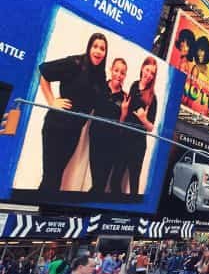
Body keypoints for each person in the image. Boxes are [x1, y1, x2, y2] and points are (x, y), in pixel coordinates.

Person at [37, 33, 107, 192]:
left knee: (56, 176)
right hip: (56, 126)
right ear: (89, 48)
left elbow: (102, 103)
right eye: (95, 47)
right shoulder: (74, 63)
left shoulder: (100, 76)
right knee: (50, 177)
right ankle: (38, 206)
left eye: (102, 49)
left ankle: (42, 206)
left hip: (74, 132)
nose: (98, 51)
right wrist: (52, 101)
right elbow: (44, 71)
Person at [112, 57, 158, 196]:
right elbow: (127, 109)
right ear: (142, 68)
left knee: (133, 182)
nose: (149, 75)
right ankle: (118, 206)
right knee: (115, 179)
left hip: (138, 144)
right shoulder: (134, 85)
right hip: (124, 138)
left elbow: (151, 128)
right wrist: (124, 109)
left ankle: (131, 208)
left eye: (152, 73)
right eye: (147, 70)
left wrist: (143, 119)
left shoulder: (152, 97)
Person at [88, 57, 128, 194]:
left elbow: (121, 125)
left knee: (101, 184)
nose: (119, 75)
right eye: (116, 70)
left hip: (112, 143)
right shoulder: (100, 87)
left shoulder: (125, 97)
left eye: (122, 73)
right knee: (98, 183)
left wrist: (124, 113)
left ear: (125, 76)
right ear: (111, 70)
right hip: (96, 138)